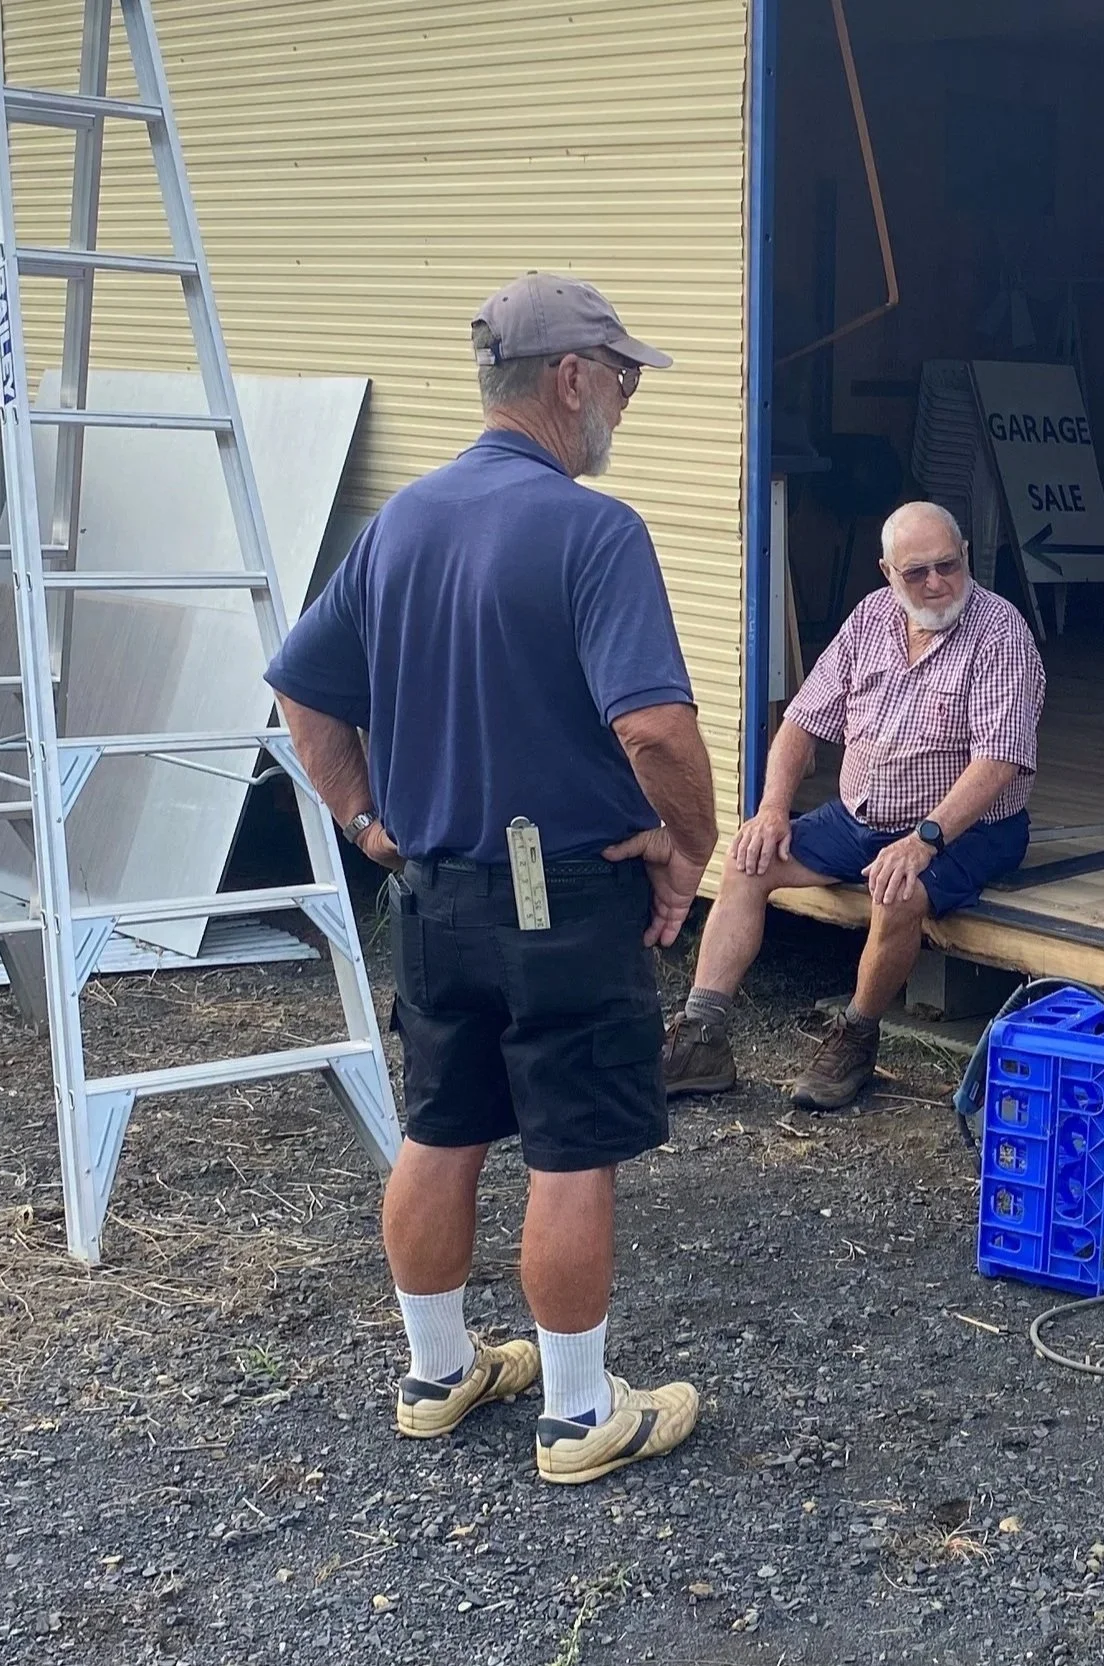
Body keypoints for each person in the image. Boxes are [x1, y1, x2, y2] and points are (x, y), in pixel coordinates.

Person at [265, 273, 719, 1484]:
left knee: (444, 1122)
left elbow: (302, 689)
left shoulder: (403, 520)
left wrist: (366, 819)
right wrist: (691, 847)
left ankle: (436, 1371)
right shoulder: (591, 529)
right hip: (559, 893)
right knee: (571, 1144)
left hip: (435, 889)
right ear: (569, 378)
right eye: (619, 377)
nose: (625, 399)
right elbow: (660, 731)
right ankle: (578, 1412)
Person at [661, 501, 1045, 1111]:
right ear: (887, 572)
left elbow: (997, 762)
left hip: (968, 827)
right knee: (748, 860)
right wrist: (772, 809)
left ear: (966, 555)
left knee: (897, 890)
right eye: (916, 572)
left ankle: (857, 1038)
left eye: (948, 565)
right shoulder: (870, 618)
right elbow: (800, 722)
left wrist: (924, 840)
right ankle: (703, 1038)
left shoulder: (1001, 633)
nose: (937, 583)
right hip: (859, 814)